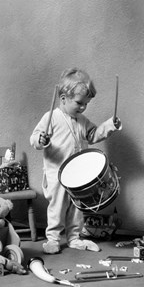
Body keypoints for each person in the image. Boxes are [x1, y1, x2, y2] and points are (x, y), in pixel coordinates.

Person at [30, 68, 122, 254]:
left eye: (86, 104)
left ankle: (74, 237)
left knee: (77, 208)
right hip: (56, 174)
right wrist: (41, 140)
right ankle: (53, 239)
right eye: (79, 103)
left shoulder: (82, 120)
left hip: (79, 176)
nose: (83, 108)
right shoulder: (51, 118)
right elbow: (35, 137)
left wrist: (109, 125)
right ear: (63, 98)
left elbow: (94, 135)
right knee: (57, 207)